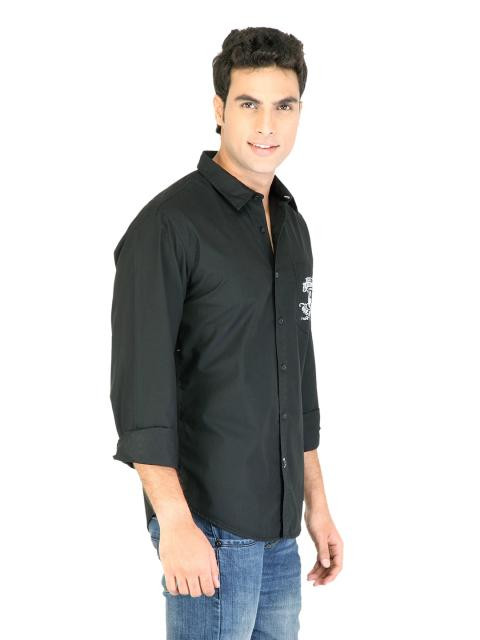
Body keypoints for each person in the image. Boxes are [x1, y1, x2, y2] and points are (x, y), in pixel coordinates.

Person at [109, 25, 343, 640]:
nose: (267, 125)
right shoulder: (168, 226)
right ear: (219, 109)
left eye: (284, 106)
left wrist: (316, 505)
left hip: (280, 532)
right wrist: (174, 523)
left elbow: (298, 378)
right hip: (207, 525)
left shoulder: (290, 225)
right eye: (248, 104)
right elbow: (140, 393)